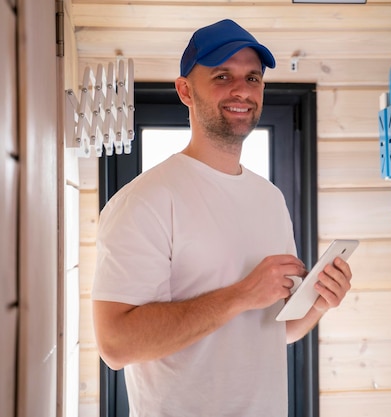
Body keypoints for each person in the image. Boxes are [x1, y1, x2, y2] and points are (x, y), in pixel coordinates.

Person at [91, 19, 353, 417]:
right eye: (222, 76)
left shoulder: (270, 199)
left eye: (252, 77)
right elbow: (116, 345)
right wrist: (242, 294)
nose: (242, 90)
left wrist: (318, 304)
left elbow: (274, 331)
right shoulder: (144, 201)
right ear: (185, 91)